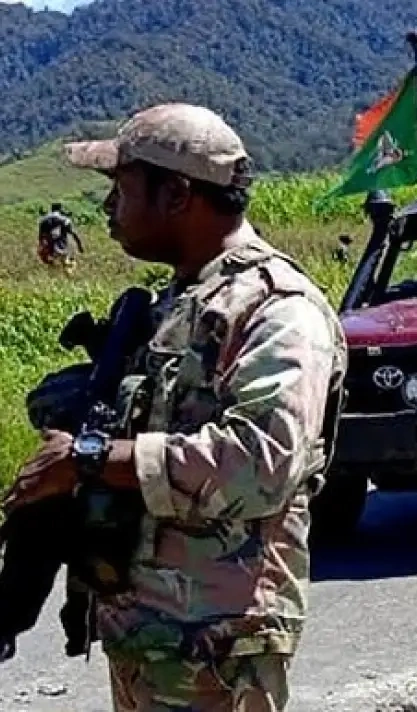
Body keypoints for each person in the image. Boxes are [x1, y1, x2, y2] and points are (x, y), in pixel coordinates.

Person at [2, 102, 348, 710]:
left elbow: (262, 463)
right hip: (150, 632)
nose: (109, 207)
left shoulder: (277, 310)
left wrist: (87, 457)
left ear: (177, 194)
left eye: (122, 187)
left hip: (216, 643)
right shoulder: (180, 303)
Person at [37, 202, 84, 271]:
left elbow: (40, 236)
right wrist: (79, 245)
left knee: (52, 266)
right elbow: (73, 233)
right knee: (66, 265)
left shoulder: (43, 220)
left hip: (47, 247)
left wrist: (41, 247)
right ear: (60, 209)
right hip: (60, 247)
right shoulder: (64, 219)